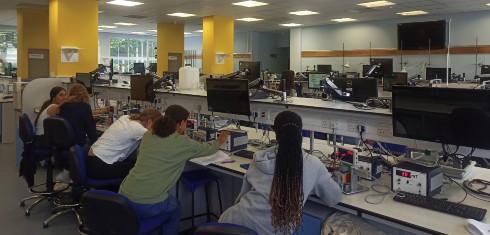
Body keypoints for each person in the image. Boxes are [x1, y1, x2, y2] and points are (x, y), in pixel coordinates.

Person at [219, 110, 342, 234]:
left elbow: (242, 195)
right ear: (300, 134)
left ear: (276, 135)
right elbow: (334, 198)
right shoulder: (312, 164)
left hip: (231, 223)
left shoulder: (259, 158)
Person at [118, 105, 229, 235]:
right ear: (181, 124)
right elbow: (208, 149)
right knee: (175, 207)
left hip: (123, 197)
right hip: (147, 204)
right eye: (185, 123)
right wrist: (220, 140)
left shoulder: (149, 134)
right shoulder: (182, 143)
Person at [87, 108, 162, 179]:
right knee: (140, 170)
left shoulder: (125, 118)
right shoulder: (139, 129)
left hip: (91, 161)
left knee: (133, 163)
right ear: (149, 122)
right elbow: (159, 139)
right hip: (101, 167)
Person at [58, 84, 98, 148]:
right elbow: (91, 131)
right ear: (85, 94)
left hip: (63, 144)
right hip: (78, 145)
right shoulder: (85, 107)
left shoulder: (63, 106)